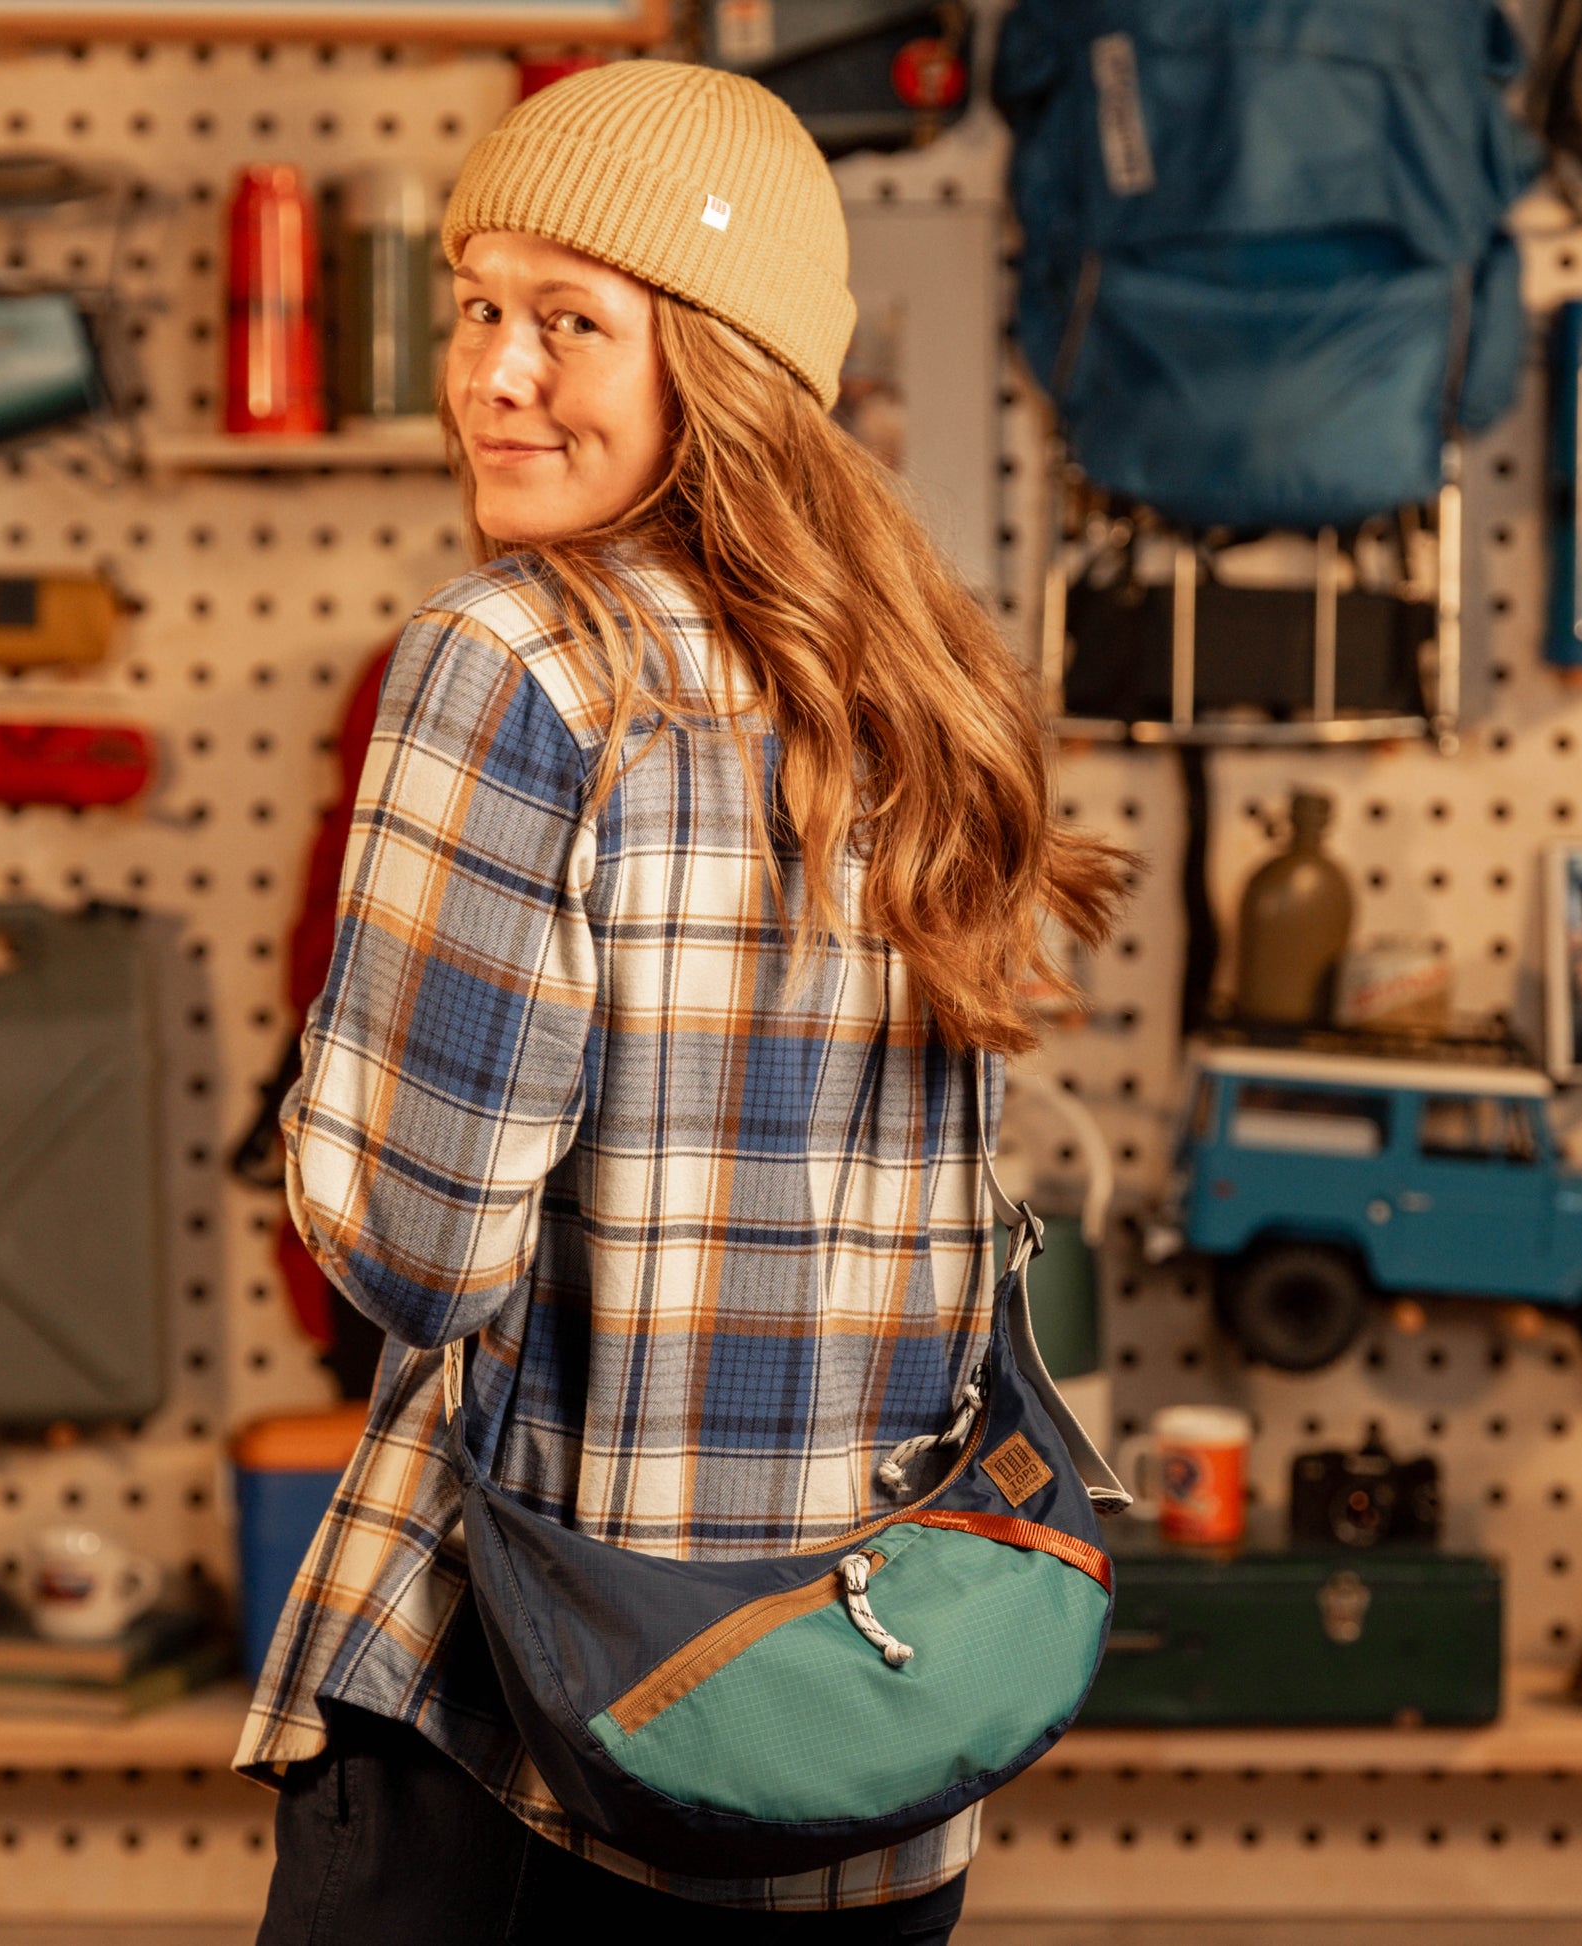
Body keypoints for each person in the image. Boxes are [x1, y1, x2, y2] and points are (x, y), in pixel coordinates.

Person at [241, 59, 1128, 1945]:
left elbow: (417, 1249)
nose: (491, 372)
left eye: (571, 320)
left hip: (540, 1729)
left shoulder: (511, 660)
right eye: (477, 303)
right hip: (857, 1732)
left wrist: (326, 1091)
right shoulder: (916, 686)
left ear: (718, 365)